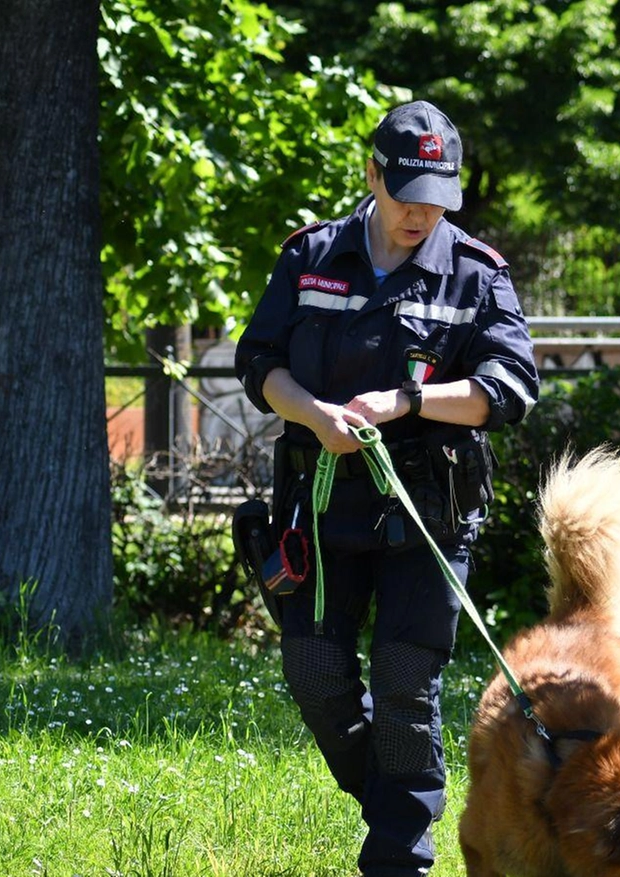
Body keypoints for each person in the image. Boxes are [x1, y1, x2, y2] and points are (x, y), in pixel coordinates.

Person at [234, 100, 539, 876]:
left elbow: (511, 387)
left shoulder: (476, 271)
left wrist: (407, 402)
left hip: (427, 517)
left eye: (437, 198)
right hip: (322, 505)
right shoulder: (310, 255)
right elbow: (259, 362)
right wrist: (315, 413)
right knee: (314, 673)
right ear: (371, 174)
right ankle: (394, 801)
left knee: (405, 682)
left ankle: (399, 855)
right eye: (407, 193)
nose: (421, 213)